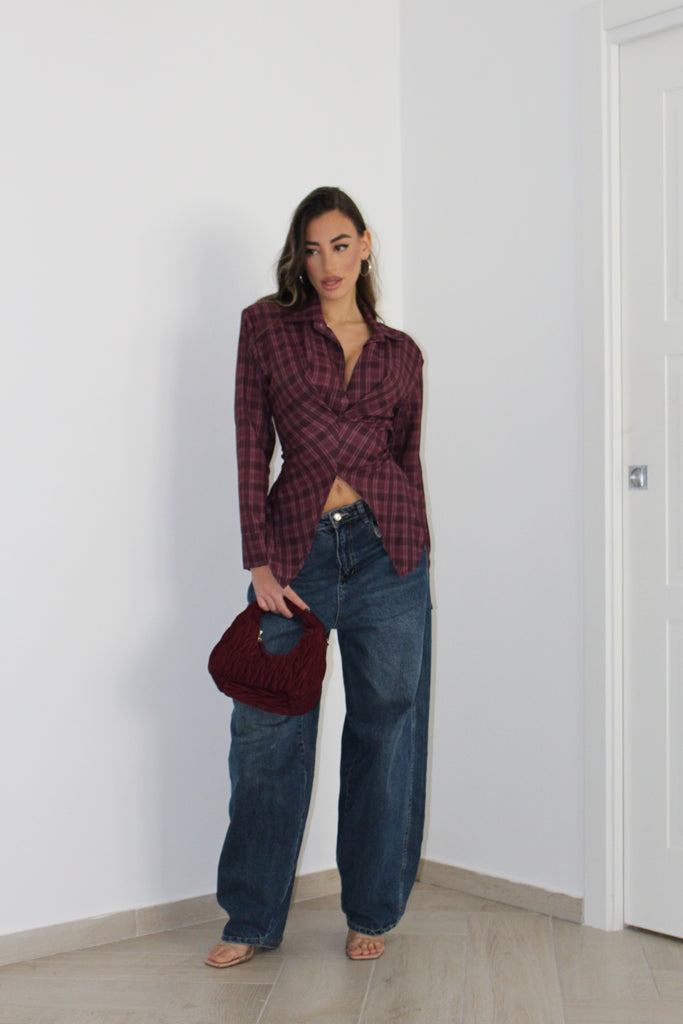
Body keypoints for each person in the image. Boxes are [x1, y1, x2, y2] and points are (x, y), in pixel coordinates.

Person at [205, 186, 431, 967]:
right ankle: (249, 919)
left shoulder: (400, 353)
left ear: (363, 245)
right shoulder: (265, 327)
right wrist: (258, 559)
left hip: (385, 554)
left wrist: (409, 551)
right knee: (266, 738)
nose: (326, 263)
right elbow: (249, 442)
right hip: (294, 554)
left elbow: (405, 458)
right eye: (311, 249)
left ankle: (371, 909)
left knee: (384, 734)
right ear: (297, 257)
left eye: (339, 245)